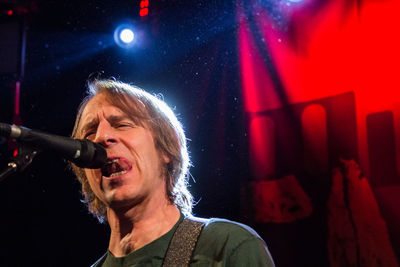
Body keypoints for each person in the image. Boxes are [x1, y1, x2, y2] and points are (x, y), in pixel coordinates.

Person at [71, 79, 275, 266]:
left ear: (166, 149)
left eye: (122, 124)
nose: (101, 137)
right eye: (89, 133)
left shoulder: (226, 248)